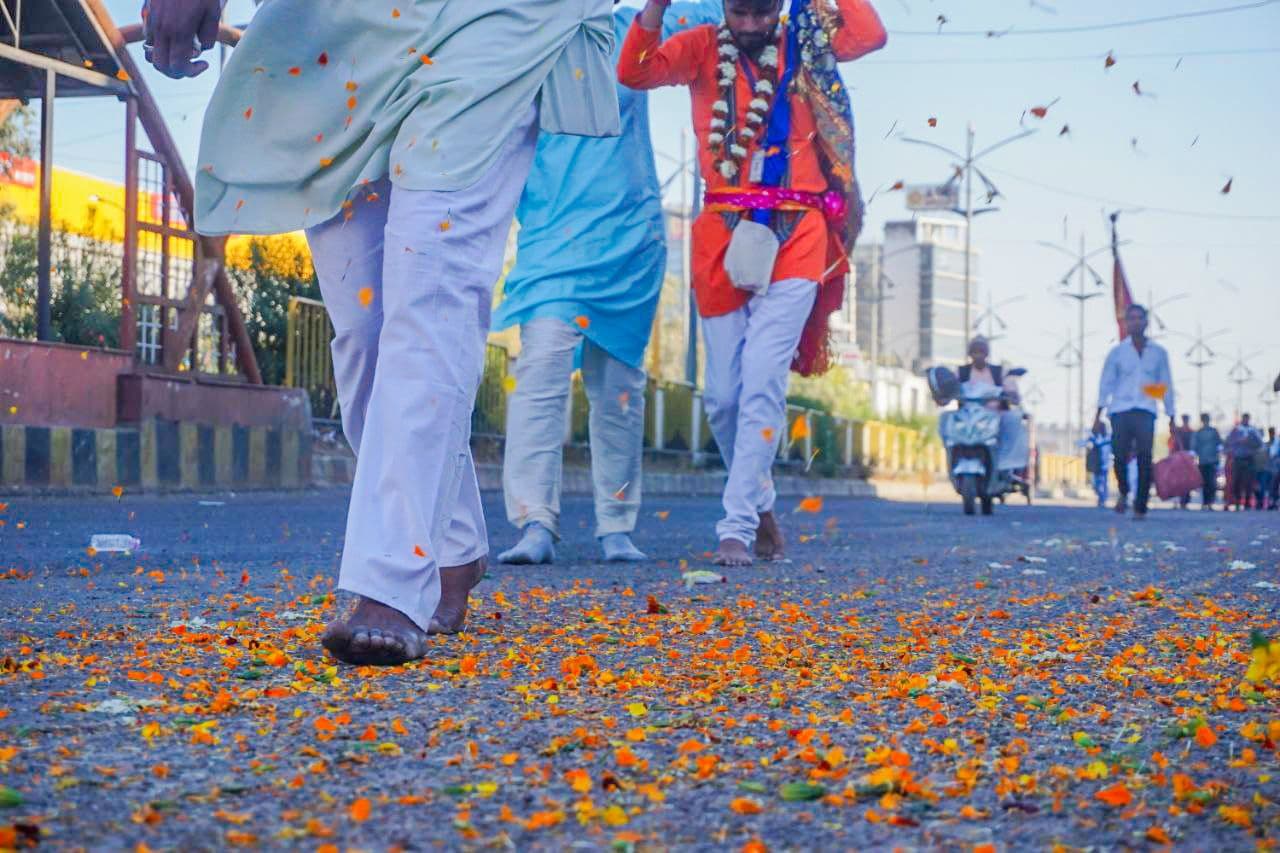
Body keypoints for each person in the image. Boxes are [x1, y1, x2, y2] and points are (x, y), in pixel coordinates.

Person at [144, 0, 621, 664]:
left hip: (498, 17)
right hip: (347, 27)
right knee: (365, 328)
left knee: (432, 278)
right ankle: (450, 542)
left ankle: (392, 581)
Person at [618, 0, 887, 566]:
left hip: (800, 230)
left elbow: (870, 34)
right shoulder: (697, 46)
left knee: (763, 377)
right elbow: (635, 71)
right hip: (721, 230)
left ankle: (735, 527)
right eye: (738, 13)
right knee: (722, 397)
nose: (748, 27)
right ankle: (760, 502)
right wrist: (657, 6)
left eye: (761, 14)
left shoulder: (809, 43)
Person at [494, 0, 722, 567]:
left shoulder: (634, 27)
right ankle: (534, 522)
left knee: (618, 391)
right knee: (541, 373)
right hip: (552, 237)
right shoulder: (514, 38)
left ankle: (616, 524)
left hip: (627, 240)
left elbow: (721, 11)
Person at [1094, 304, 1176, 519]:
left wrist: (1171, 416)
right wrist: (1098, 415)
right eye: (1131, 319)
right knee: (1119, 455)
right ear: (1126, 323)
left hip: (1146, 410)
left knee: (1144, 458)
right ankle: (1124, 491)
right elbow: (1106, 383)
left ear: (1146, 322)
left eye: (1139, 318)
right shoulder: (1117, 352)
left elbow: (1165, 383)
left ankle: (1141, 505)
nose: (1135, 322)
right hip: (1120, 410)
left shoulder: (1159, 353)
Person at [958, 336, 1028, 473]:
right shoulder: (961, 372)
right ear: (969, 354)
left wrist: (1012, 395)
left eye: (981, 352)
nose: (978, 355)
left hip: (995, 418)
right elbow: (950, 387)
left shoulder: (998, 372)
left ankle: (1007, 464)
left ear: (987, 354)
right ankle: (953, 456)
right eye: (974, 352)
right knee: (945, 418)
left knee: (1013, 418)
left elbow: (1010, 388)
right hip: (967, 418)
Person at [1226, 414, 1263, 511]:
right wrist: (1238, 442)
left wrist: (1249, 441)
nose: (1245, 420)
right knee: (1236, 481)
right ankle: (1237, 502)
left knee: (1249, 482)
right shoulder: (1236, 430)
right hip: (1238, 459)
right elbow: (1229, 442)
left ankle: (1247, 502)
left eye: (1247, 418)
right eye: (1244, 418)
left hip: (1249, 459)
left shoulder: (1253, 431)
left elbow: (1259, 444)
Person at [1191, 413, 1223, 510]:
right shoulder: (1212, 431)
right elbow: (1220, 445)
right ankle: (1208, 503)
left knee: (1208, 482)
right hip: (1208, 461)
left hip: (1206, 461)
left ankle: (1207, 503)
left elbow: (1194, 447)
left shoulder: (1200, 432)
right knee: (1209, 482)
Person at [1081, 421, 1113, 509]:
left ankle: (1103, 499)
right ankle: (1101, 496)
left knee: (1103, 482)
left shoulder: (1109, 438)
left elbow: (1114, 448)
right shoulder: (1094, 437)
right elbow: (1085, 443)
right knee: (1096, 483)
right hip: (1096, 464)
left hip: (1105, 464)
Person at [1173, 414, 1195, 508]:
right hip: (1179, 458)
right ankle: (1179, 500)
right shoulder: (1178, 431)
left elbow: (1193, 445)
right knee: (1178, 480)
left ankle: (1185, 500)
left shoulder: (1191, 432)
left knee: (1187, 480)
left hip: (1188, 458)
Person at [1258, 426, 1278, 510]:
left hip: (1274, 469)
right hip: (1266, 469)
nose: (1271, 434)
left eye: (1272, 432)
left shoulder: (1277, 444)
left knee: (1273, 487)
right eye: (1270, 432)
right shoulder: (1265, 444)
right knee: (1263, 487)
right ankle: (1261, 503)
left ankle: (1273, 503)